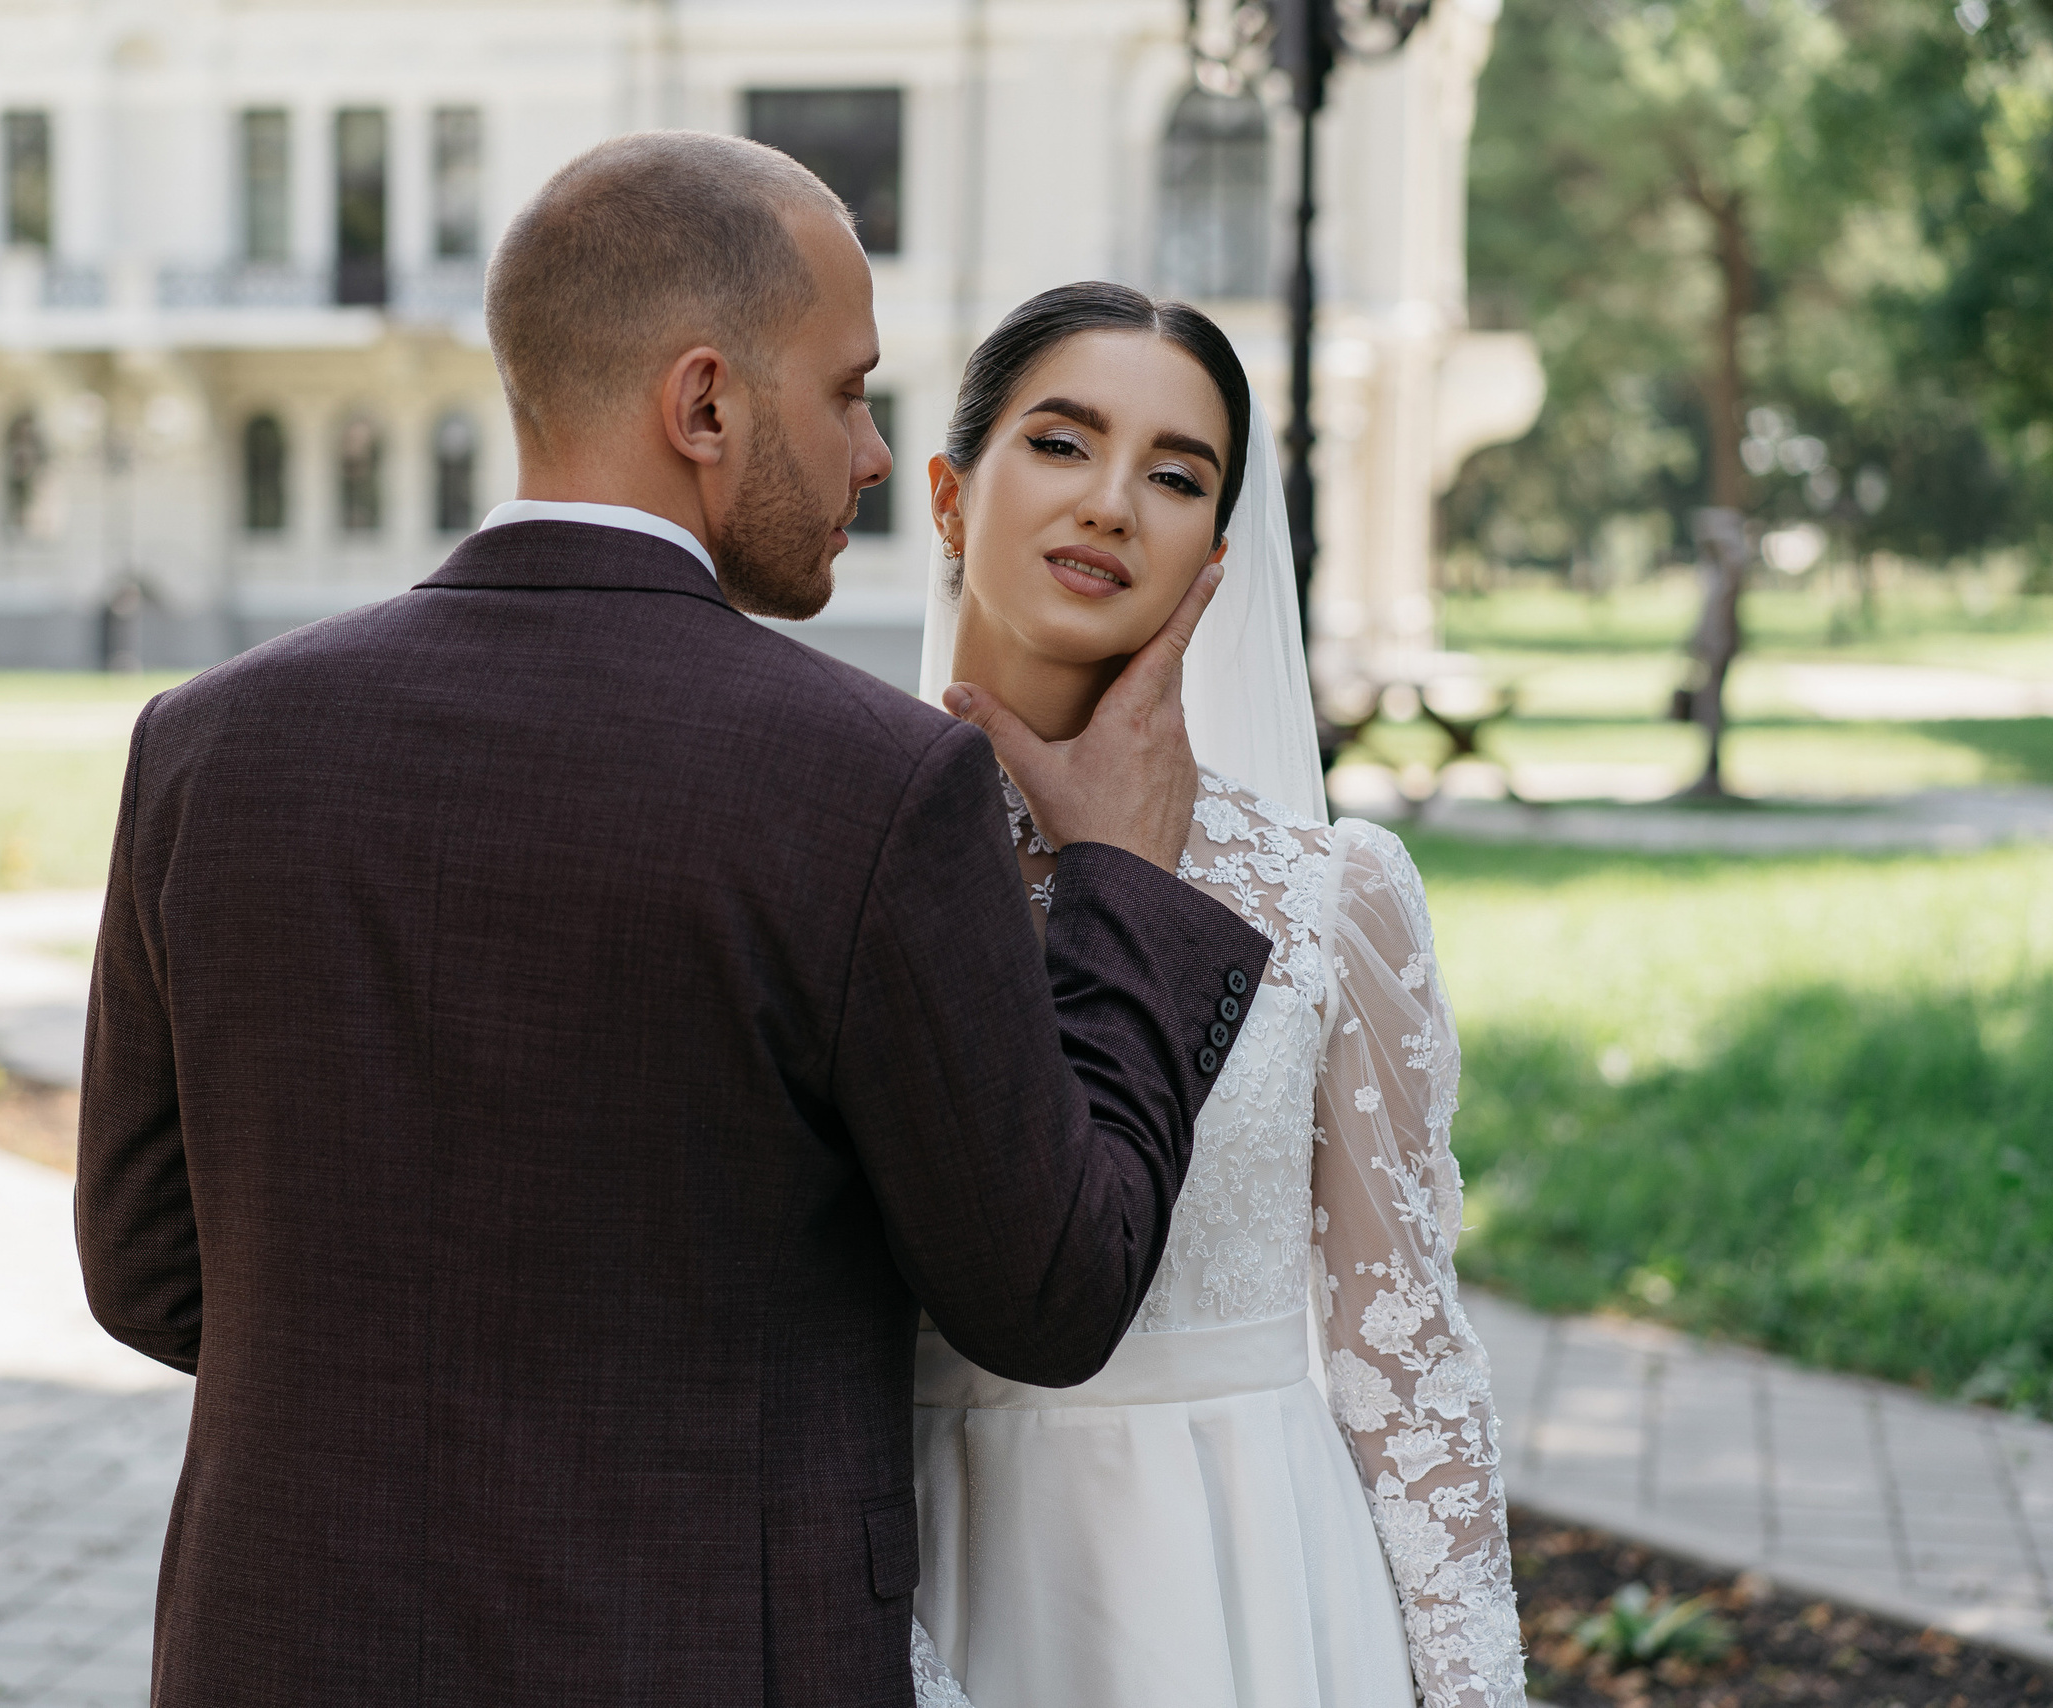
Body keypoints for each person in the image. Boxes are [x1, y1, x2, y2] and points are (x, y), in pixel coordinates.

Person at [75, 135, 1274, 1705]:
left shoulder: (207, 743)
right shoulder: (879, 786)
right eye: (846, 392)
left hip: (289, 1642)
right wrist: (1121, 883)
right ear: (705, 405)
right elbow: (1051, 1292)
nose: (868, 454)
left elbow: (149, 1267)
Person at [902, 283, 1527, 1708]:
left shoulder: (1333, 896)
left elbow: (1407, 1348)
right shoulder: (839, 867)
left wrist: (1471, 1687)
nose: (1113, 503)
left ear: (1215, 555)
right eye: (1062, 445)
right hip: (943, 1581)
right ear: (949, 496)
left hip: (1261, 1592)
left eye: (1175, 475)